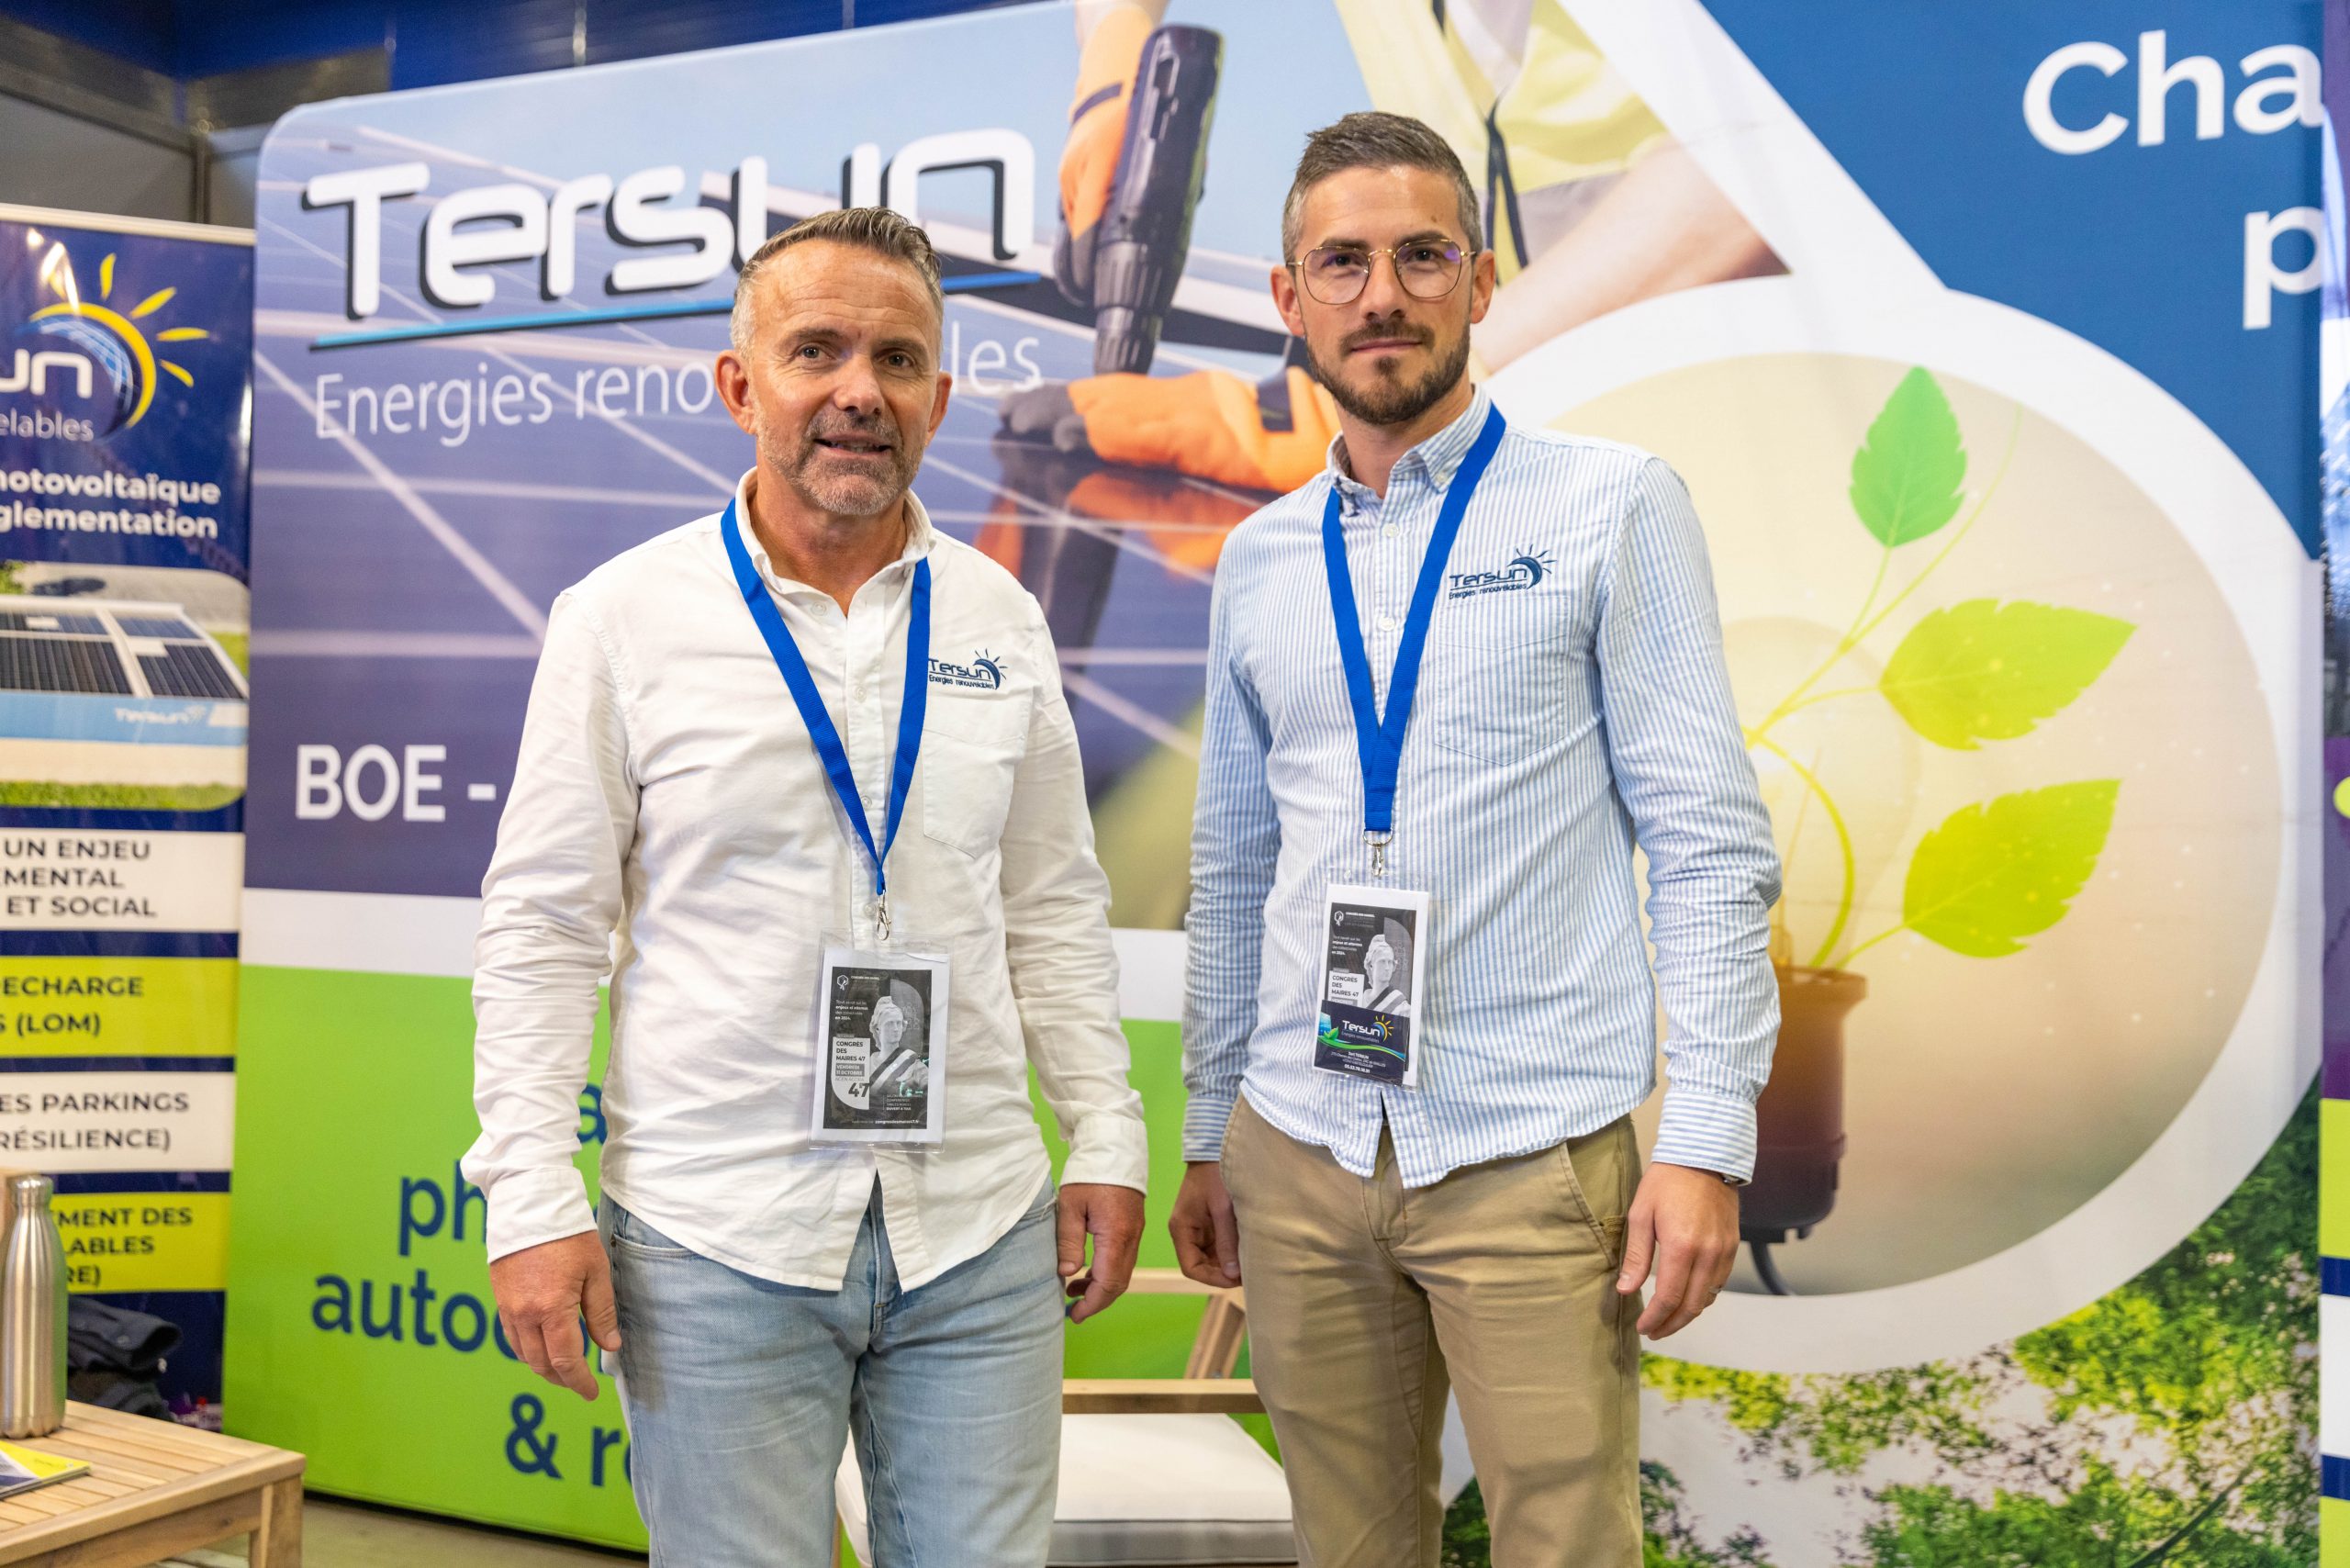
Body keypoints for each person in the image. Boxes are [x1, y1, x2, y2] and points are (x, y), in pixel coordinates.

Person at [464, 207, 1150, 1568]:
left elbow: (1053, 907)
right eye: (816, 350)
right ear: (741, 386)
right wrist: (530, 1195)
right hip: (716, 1238)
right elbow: (544, 927)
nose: (859, 392)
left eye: (898, 360)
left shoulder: (1002, 618)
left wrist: (1107, 1132)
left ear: (938, 398)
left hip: (977, 1231)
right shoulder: (623, 619)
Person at [1169, 114, 1781, 1567]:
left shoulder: (1611, 506)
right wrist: (1207, 1129)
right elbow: (1237, 869)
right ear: (1291, 297)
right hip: (1299, 1146)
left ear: (1482, 280)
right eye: (1342, 263)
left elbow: (1706, 843)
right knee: (1349, 1544)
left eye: (1421, 257)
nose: (1381, 295)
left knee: (1565, 1545)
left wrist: (1707, 1140)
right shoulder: (1259, 560)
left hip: (1526, 1149)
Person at [1007, 0, 1776, 493]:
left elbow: (1765, 155)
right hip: (1506, 376)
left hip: (1730, 354)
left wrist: (1416, 394)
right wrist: (1113, 53)